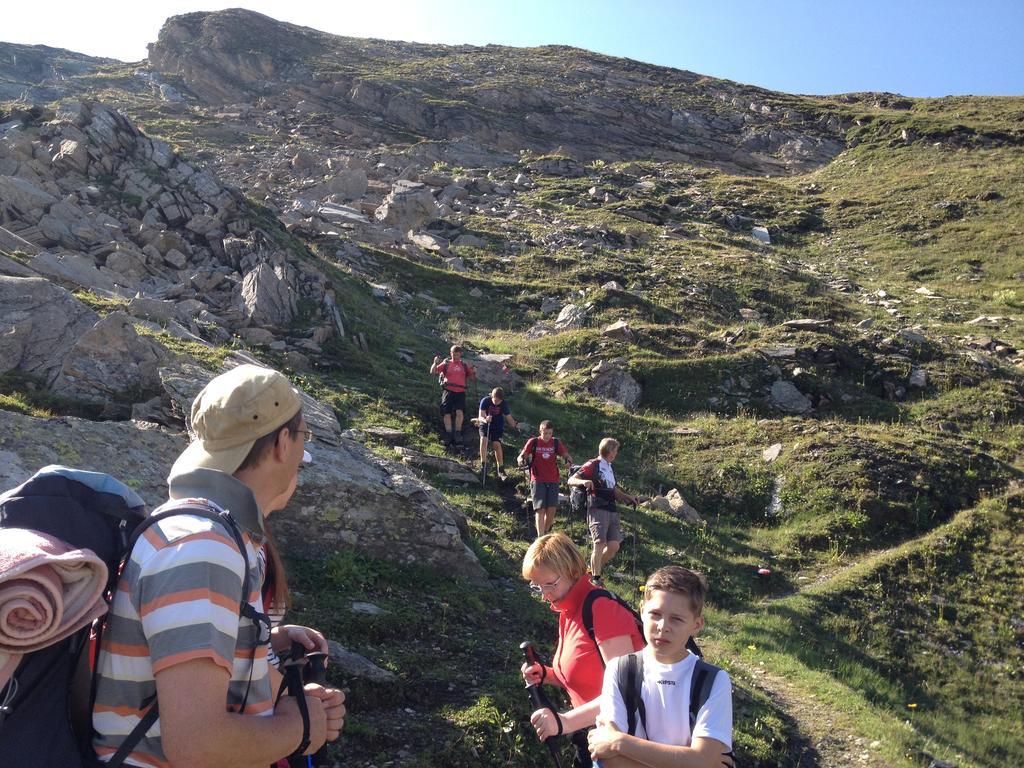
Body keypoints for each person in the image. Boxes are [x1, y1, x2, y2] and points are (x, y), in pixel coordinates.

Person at [91, 364, 346, 767]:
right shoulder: (204, 548)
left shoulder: (199, 531)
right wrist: (302, 727)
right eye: (303, 437)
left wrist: (254, 642)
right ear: (283, 443)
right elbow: (198, 745)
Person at [588, 566, 733, 768]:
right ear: (641, 611)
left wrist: (620, 742)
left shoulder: (713, 680)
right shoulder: (620, 670)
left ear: (697, 625)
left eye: (677, 619)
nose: (663, 626)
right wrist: (691, 761)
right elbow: (610, 760)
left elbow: (701, 760)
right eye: (655, 614)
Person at [521, 533, 645, 767]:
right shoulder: (567, 610)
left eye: (550, 584)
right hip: (590, 735)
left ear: (571, 571)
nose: (545, 594)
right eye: (537, 587)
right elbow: (580, 674)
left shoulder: (601, 609)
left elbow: (625, 692)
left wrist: (564, 721)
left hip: (620, 741)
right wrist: (545, 674)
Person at [568, 438, 640, 582]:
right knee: (599, 543)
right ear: (609, 450)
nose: (616, 453)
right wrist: (583, 481)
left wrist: (629, 497)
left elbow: (612, 490)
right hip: (597, 508)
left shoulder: (609, 467)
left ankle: (592, 567)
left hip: (611, 509)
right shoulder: (593, 464)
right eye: (615, 450)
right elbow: (571, 480)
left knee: (614, 546)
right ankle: (596, 578)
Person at [517, 420, 573, 537]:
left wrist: (568, 461)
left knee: (551, 510)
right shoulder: (533, 442)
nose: (547, 436)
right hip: (537, 479)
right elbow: (522, 455)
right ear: (540, 431)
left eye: (549, 433)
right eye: (545, 433)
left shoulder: (556, 443)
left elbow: (566, 455)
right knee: (540, 509)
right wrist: (521, 460)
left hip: (553, 479)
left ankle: (546, 531)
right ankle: (540, 536)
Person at [430, 345, 477, 447]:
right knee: (446, 413)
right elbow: (433, 371)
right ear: (450, 353)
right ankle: (448, 433)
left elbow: (473, 378)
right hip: (448, 391)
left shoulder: (464, 365)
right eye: (453, 354)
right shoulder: (446, 363)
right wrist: (435, 363)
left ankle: (457, 433)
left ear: (460, 354)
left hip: (460, 392)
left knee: (459, 412)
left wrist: (473, 371)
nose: (454, 356)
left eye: (456, 354)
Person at [478, 386, 519, 481]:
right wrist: (485, 419)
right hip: (485, 424)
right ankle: (483, 464)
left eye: (499, 401)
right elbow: (480, 416)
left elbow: (509, 418)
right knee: (484, 440)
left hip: (497, 425)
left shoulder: (504, 404)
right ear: (491, 396)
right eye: (495, 400)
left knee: (496, 444)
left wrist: (516, 426)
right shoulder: (485, 401)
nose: (497, 403)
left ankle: (500, 468)